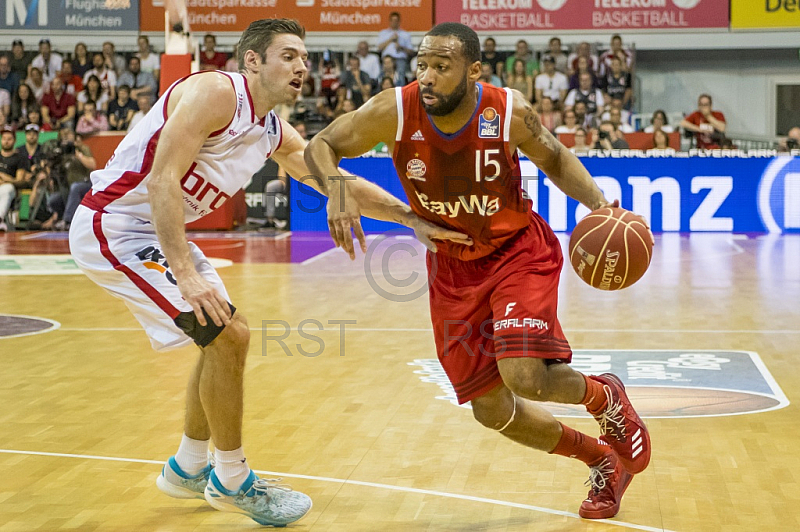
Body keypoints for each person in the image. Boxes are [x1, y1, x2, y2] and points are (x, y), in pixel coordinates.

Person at [69, 18, 466, 527]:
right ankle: (231, 479)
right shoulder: (215, 92)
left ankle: (188, 466)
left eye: (305, 58)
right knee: (227, 333)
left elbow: (335, 180)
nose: (302, 66)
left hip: (157, 233)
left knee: (222, 337)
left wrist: (411, 219)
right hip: (118, 226)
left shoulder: (272, 128)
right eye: (289, 55)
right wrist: (187, 274)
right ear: (252, 61)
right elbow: (163, 179)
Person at [306, 22, 651, 520]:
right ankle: (600, 460)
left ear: (473, 70)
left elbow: (553, 157)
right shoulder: (394, 110)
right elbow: (322, 145)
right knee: (491, 410)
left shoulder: (507, 109)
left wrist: (600, 206)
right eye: (421, 64)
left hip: (517, 253)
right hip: (452, 268)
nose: (426, 76)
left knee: (526, 378)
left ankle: (606, 398)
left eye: (441, 67)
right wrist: (338, 195)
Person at [0, 125, 30, 231]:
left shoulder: (20, 158)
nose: (6, 141)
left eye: (9, 139)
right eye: (4, 139)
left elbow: (19, 180)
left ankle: (0, 218)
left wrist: (6, 178)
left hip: (11, 190)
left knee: (7, 188)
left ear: (14, 140)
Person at [376, 12, 414, 81]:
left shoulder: (405, 34)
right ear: (389, 21)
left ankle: (400, 88)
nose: (394, 23)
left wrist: (401, 47)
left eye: (396, 21)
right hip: (387, 59)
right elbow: (379, 48)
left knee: (400, 72)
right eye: (393, 20)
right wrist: (390, 39)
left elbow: (411, 52)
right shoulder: (383, 33)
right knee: (382, 74)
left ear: (399, 22)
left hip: (399, 59)